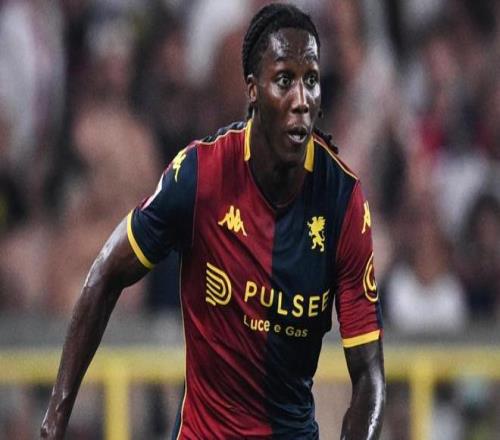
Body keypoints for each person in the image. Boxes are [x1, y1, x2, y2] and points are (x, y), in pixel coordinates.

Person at [41, 3, 385, 439]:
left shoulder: (342, 202)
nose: (301, 100)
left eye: (311, 81)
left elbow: (369, 375)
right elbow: (106, 273)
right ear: (253, 89)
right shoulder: (201, 175)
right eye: (284, 80)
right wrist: (53, 422)